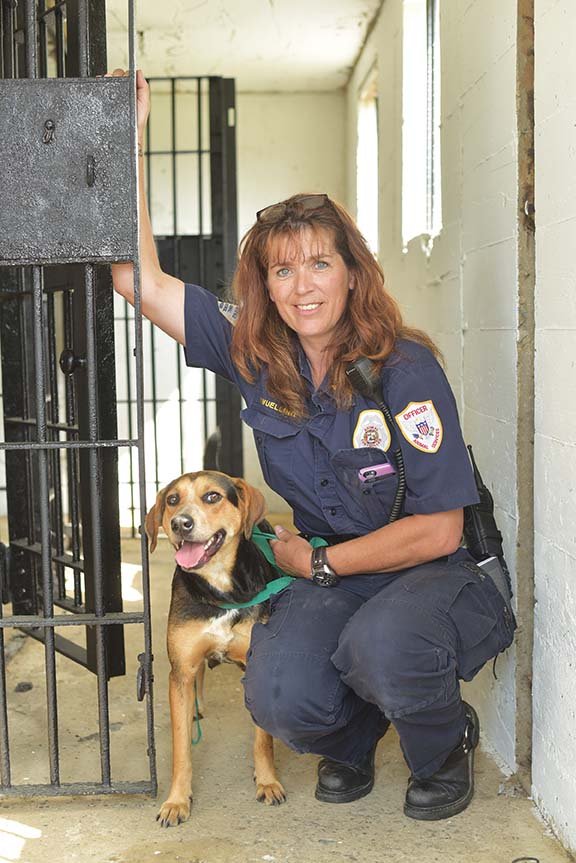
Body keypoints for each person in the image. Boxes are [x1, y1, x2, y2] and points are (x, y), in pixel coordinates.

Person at [112, 69, 515, 820]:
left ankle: (441, 748)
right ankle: (355, 741)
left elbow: (441, 527)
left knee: (381, 644)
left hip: (433, 571)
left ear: (351, 271)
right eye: (283, 268)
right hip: (337, 568)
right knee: (274, 688)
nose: (303, 286)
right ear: (265, 283)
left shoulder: (403, 366)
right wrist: (123, 137)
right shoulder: (254, 353)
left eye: (320, 263)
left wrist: (318, 560)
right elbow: (137, 278)